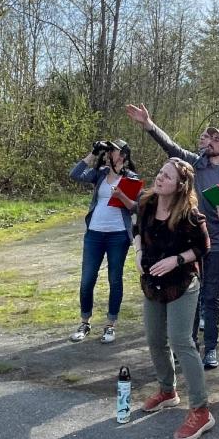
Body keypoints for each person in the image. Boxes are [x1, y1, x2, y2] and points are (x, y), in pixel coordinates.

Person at [125, 104, 219, 370]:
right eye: (210, 137)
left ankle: (211, 349)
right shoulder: (194, 163)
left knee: (212, 298)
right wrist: (149, 125)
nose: (211, 142)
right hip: (189, 245)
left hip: (217, 245)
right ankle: (188, 347)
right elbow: (171, 147)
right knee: (189, 295)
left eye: (217, 140)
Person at [135, 157, 216, 439]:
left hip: (182, 284)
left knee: (181, 341)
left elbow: (204, 247)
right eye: (160, 172)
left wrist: (177, 260)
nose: (160, 178)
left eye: (167, 176)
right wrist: (138, 253)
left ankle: (201, 411)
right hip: (152, 283)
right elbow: (137, 231)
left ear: (181, 185)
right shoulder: (146, 204)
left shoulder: (189, 215)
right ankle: (167, 391)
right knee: (155, 339)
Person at [67, 140, 140, 343]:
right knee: (87, 280)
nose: (108, 153)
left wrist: (121, 196)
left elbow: (136, 207)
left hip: (118, 235)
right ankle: (84, 322)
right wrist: (93, 153)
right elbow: (75, 174)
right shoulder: (100, 173)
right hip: (94, 233)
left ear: (123, 155)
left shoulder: (131, 178)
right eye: (107, 150)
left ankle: (110, 325)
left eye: (112, 150)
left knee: (115, 280)